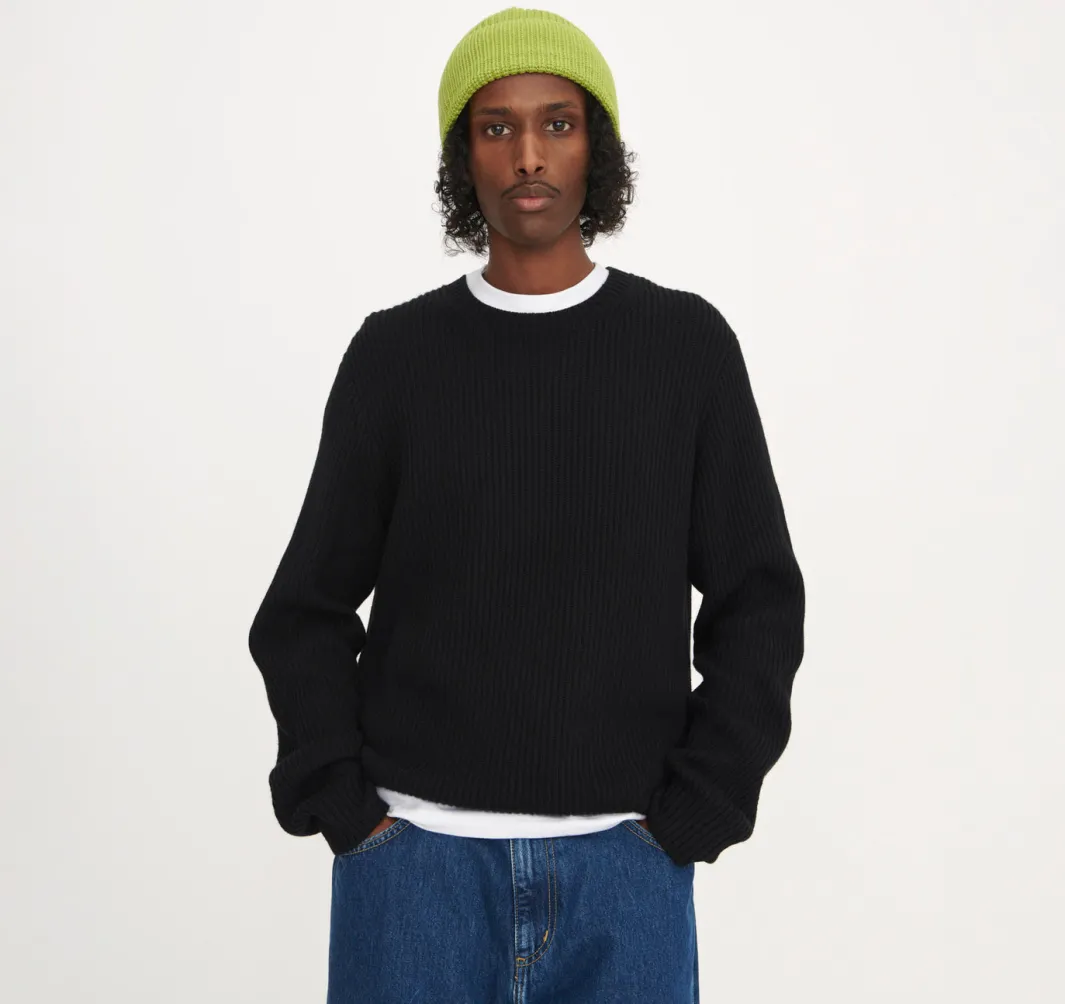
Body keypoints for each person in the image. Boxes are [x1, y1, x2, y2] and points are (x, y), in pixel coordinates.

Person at [247, 7, 805, 1002]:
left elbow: (757, 600)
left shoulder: (683, 350)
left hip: (625, 872)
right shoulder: (397, 357)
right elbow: (305, 609)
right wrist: (345, 806)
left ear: (598, 147)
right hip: (414, 871)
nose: (529, 155)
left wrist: (700, 807)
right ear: (463, 158)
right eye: (495, 127)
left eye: (559, 123)